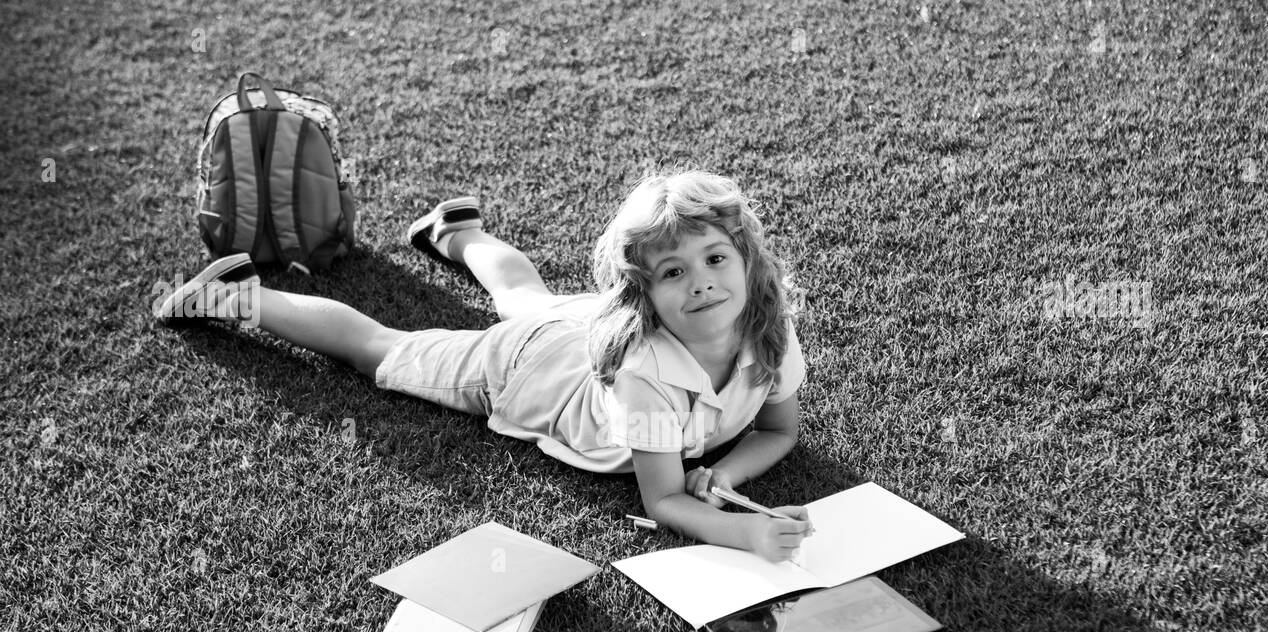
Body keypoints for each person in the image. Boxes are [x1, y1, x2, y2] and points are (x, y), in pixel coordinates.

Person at [155, 170, 814, 562]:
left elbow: (778, 431)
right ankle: (233, 295)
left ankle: (456, 230)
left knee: (527, 299)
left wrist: (723, 472)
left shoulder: (769, 327)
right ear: (644, 295)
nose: (701, 284)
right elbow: (663, 498)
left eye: (716, 259)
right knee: (382, 349)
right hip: (529, 372)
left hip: (582, 329)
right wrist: (745, 532)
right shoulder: (649, 376)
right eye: (674, 271)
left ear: (748, 261)